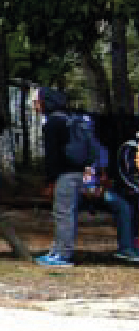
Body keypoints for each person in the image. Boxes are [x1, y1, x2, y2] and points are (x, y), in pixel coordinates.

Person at [34, 87, 136, 267]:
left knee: (64, 212)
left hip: (67, 175)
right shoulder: (78, 120)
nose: (35, 105)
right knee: (121, 206)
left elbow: (53, 157)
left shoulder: (53, 123)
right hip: (89, 176)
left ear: (45, 102)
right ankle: (127, 248)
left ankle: (62, 255)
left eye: (36, 101)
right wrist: (102, 174)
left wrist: (50, 182)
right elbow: (98, 149)